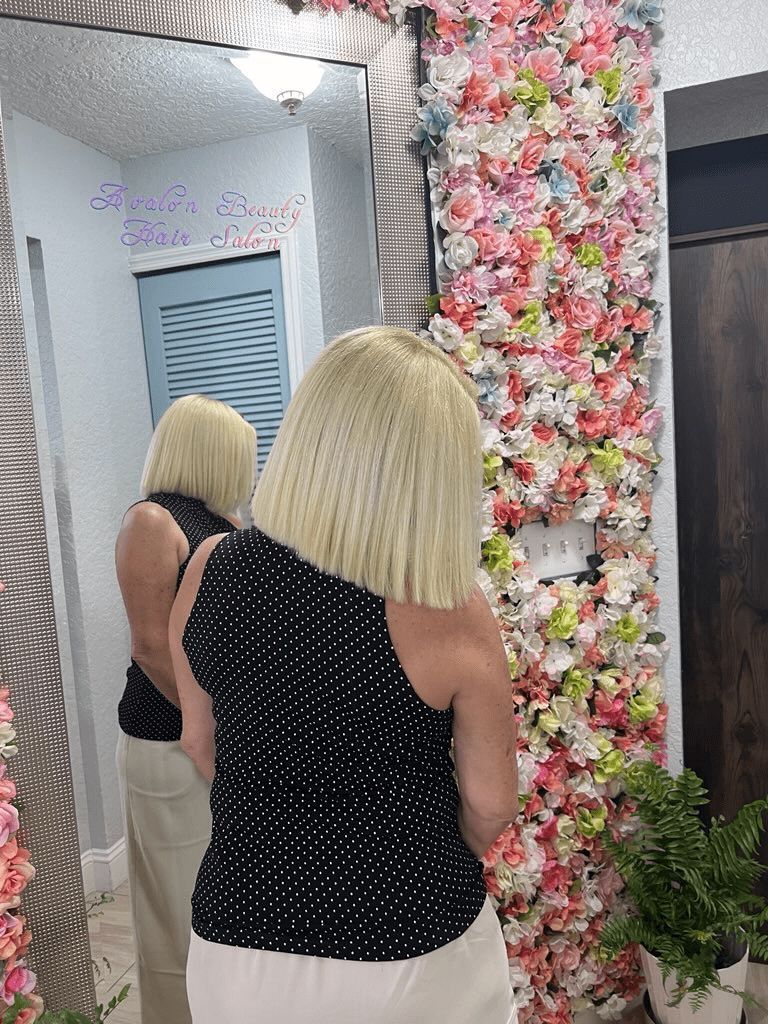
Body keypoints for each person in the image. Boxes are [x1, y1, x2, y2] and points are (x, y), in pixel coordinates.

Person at [169, 327, 519, 1024]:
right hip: (411, 945)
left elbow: (198, 743)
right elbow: (489, 804)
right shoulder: (445, 605)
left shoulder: (211, 566)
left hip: (238, 939)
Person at [115, 394, 256, 1024]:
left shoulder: (223, 527)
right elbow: (150, 646)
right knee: (178, 912)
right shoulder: (152, 522)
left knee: (220, 905)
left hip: (213, 741)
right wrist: (212, 727)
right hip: (168, 742)